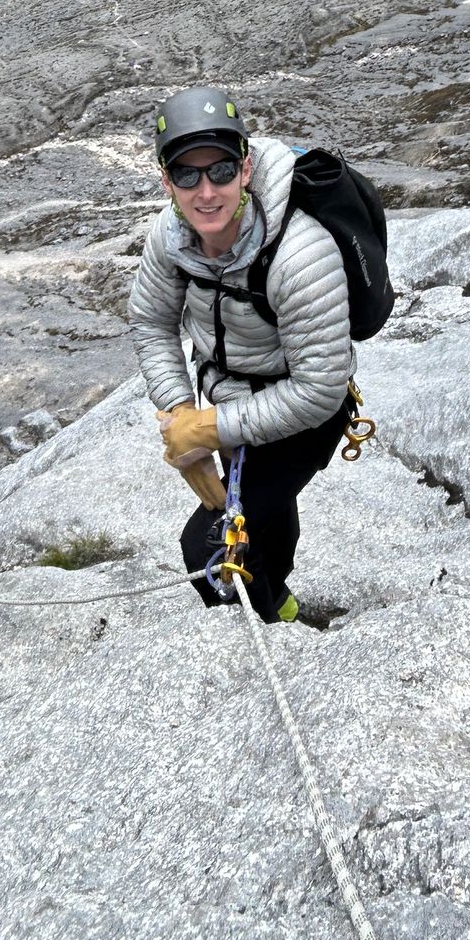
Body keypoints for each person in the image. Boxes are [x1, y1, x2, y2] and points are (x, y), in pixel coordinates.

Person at [129, 86, 354, 623]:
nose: (206, 191)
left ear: (246, 170)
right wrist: (183, 413)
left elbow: (318, 390)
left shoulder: (299, 255)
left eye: (221, 171)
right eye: (187, 175)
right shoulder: (170, 237)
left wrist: (210, 430)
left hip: (307, 415)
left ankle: (273, 621)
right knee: (264, 514)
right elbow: (151, 319)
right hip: (229, 403)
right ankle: (283, 600)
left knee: (207, 551)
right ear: (167, 182)